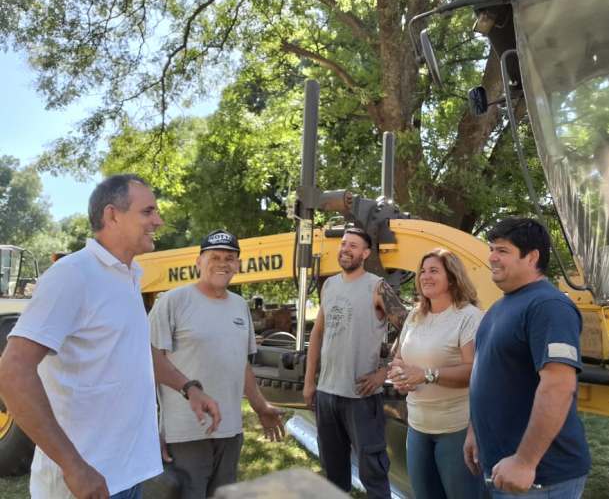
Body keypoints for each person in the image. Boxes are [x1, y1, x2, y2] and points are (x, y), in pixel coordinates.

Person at [0, 174, 221, 499]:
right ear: (112, 215)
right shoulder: (72, 275)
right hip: (83, 483)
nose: (158, 221)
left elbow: (135, 350)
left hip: (125, 475)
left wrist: (189, 389)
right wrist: (73, 466)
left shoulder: (128, 276)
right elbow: (12, 372)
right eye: (148, 211)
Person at [149, 229, 285, 499]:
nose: (223, 263)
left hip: (230, 431)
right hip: (184, 432)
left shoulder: (239, 306)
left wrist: (260, 405)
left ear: (237, 265)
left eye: (230, 257)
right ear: (198, 262)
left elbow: (241, 363)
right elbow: (149, 364)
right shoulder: (172, 302)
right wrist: (150, 429)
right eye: (215, 256)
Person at [464, 218, 591, 498]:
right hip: (500, 469)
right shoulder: (500, 308)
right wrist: (475, 432)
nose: (492, 258)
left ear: (532, 256)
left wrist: (525, 461)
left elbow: (558, 386)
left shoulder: (549, 306)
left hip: (540, 479)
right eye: (491, 249)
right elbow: (486, 375)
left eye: (502, 250)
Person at [302, 227, 408, 498]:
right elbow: (318, 332)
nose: (345, 249)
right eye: (343, 244)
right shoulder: (329, 285)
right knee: (333, 474)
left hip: (361, 397)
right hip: (327, 394)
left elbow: (409, 329)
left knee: (373, 473)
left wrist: (384, 370)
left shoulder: (378, 287)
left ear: (365, 253)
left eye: (353, 245)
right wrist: (309, 381)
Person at [388, 248, 488, 499]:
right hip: (417, 427)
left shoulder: (468, 317)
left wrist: (427, 375)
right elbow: (399, 358)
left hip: (456, 429)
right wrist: (400, 375)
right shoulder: (414, 315)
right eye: (422, 271)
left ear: (452, 277)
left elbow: (474, 371)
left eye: (434, 270)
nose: (425, 276)